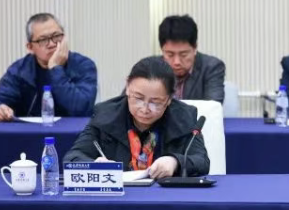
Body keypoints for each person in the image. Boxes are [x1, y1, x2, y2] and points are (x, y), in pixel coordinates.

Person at [63, 58, 209, 178]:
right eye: (138, 98)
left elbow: (202, 161)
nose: (145, 109)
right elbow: (72, 157)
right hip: (120, 197)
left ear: (169, 99)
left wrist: (175, 162)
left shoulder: (184, 117)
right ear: (127, 87)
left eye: (155, 102)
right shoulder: (105, 115)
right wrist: (95, 164)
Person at [0, 13, 97, 121]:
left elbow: (82, 109)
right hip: (30, 130)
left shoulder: (83, 65)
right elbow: (2, 98)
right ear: (30, 47)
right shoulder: (19, 70)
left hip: (75, 131)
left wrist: (56, 68)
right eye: (43, 40)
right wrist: (2, 108)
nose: (51, 44)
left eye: (56, 36)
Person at [140, 15, 226, 103]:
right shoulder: (148, 67)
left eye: (183, 55)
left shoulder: (211, 67)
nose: (176, 62)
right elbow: (133, 102)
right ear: (162, 49)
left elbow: (213, 106)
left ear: (195, 48)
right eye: (170, 54)